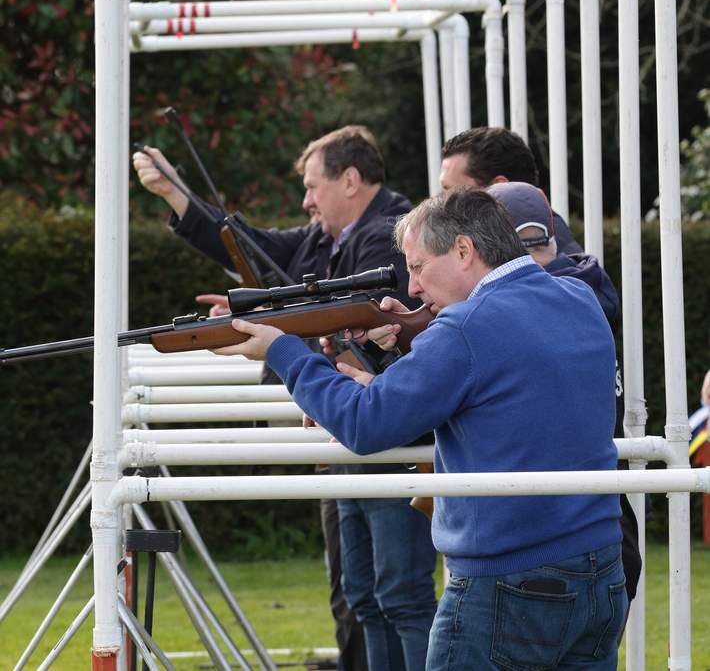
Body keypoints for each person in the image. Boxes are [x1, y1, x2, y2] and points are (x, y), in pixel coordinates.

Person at [216, 187, 627, 670]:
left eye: (417, 266)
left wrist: (283, 352)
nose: (411, 287)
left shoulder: (463, 330)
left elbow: (363, 423)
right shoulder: (577, 296)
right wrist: (417, 337)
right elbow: (509, 379)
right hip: (601, 567)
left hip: (505, 579)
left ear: (464, 250)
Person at [134, 126, 437, 671]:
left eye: (312, 186)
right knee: (361, 596)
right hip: (342, 431)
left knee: (400, 596)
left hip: (387, 432)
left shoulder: (391, 235)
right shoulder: (326, 240)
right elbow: (252, 246)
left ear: (350, 180)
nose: (306, 200)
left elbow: (359, 313)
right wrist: (178, 196)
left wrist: (279, 333)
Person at [439, 126, 584, 255]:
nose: (442, 205)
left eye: (451, 192)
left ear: (500, 187)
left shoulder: (545, 271)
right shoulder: (554, 259)